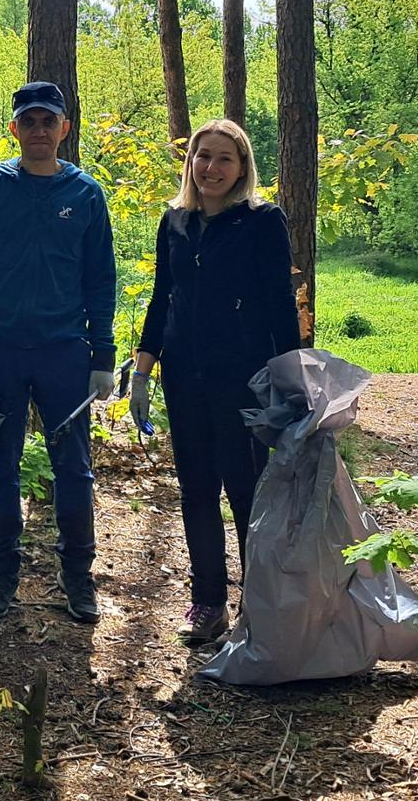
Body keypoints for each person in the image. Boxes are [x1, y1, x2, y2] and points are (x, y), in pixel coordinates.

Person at [0, 80, 118, 623]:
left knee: (75, 469)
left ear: (65, 128)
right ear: (15, 128)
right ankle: (2, 577)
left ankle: (79, 580)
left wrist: (103, 356)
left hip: (65, 353)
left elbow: (100, 280)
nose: (39, 131)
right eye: (30, 121)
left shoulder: (85, 195)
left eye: (49, 121)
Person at [130, 119, 302, 643]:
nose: (212, 167)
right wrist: (143, 370)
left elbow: (279, 305)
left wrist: (294, 378)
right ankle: (208, 602)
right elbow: (163, 299)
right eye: (203, 156)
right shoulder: (175, 222)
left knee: (247, 490)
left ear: (243, 167)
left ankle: (259, 602)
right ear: (191, 163)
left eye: (225, 158)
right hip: (184, 377)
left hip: (243, 379)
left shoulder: (262, 221)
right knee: (196, 490)